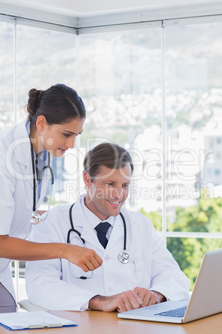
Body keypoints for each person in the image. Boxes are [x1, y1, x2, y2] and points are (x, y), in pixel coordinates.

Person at [25, 143, 190, 312]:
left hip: (135, 332)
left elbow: (174, 276)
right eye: (110, 184)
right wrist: (99, 301)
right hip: (78, 331)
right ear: (87, 179)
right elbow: (39, 284)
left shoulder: (141, 225)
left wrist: (156, 294)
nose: (119, 195)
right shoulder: (53, 223)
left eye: (125, 185)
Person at [0, 84, 102, 313]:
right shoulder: (4, 155)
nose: (71, 145)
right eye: (66, 134)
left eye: (76, 135)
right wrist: (65, 250)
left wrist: (54, 218)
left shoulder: (40, 153)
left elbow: (20, 211)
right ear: (42, 123)